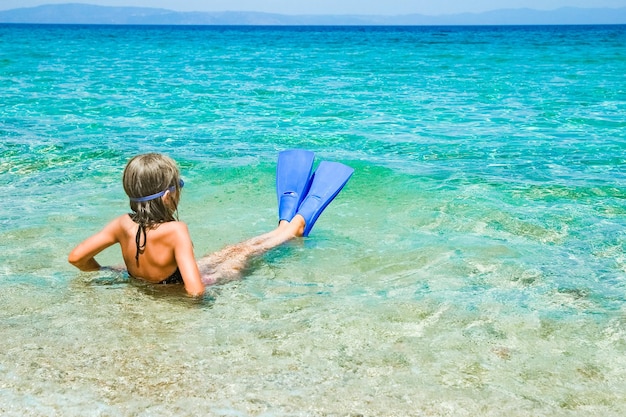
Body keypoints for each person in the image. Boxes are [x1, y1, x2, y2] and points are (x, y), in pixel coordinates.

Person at [68, 150, 353, 297]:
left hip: (165, 279)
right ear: (168, 196)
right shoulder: (175, 230)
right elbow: (196, 290)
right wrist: (199, 291)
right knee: (241, 253)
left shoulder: (121, 224)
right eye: (179, 184)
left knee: (230, 250)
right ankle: (291, 228)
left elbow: (77, 258)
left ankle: (284, 228)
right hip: (183, 282)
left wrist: (123, 275)